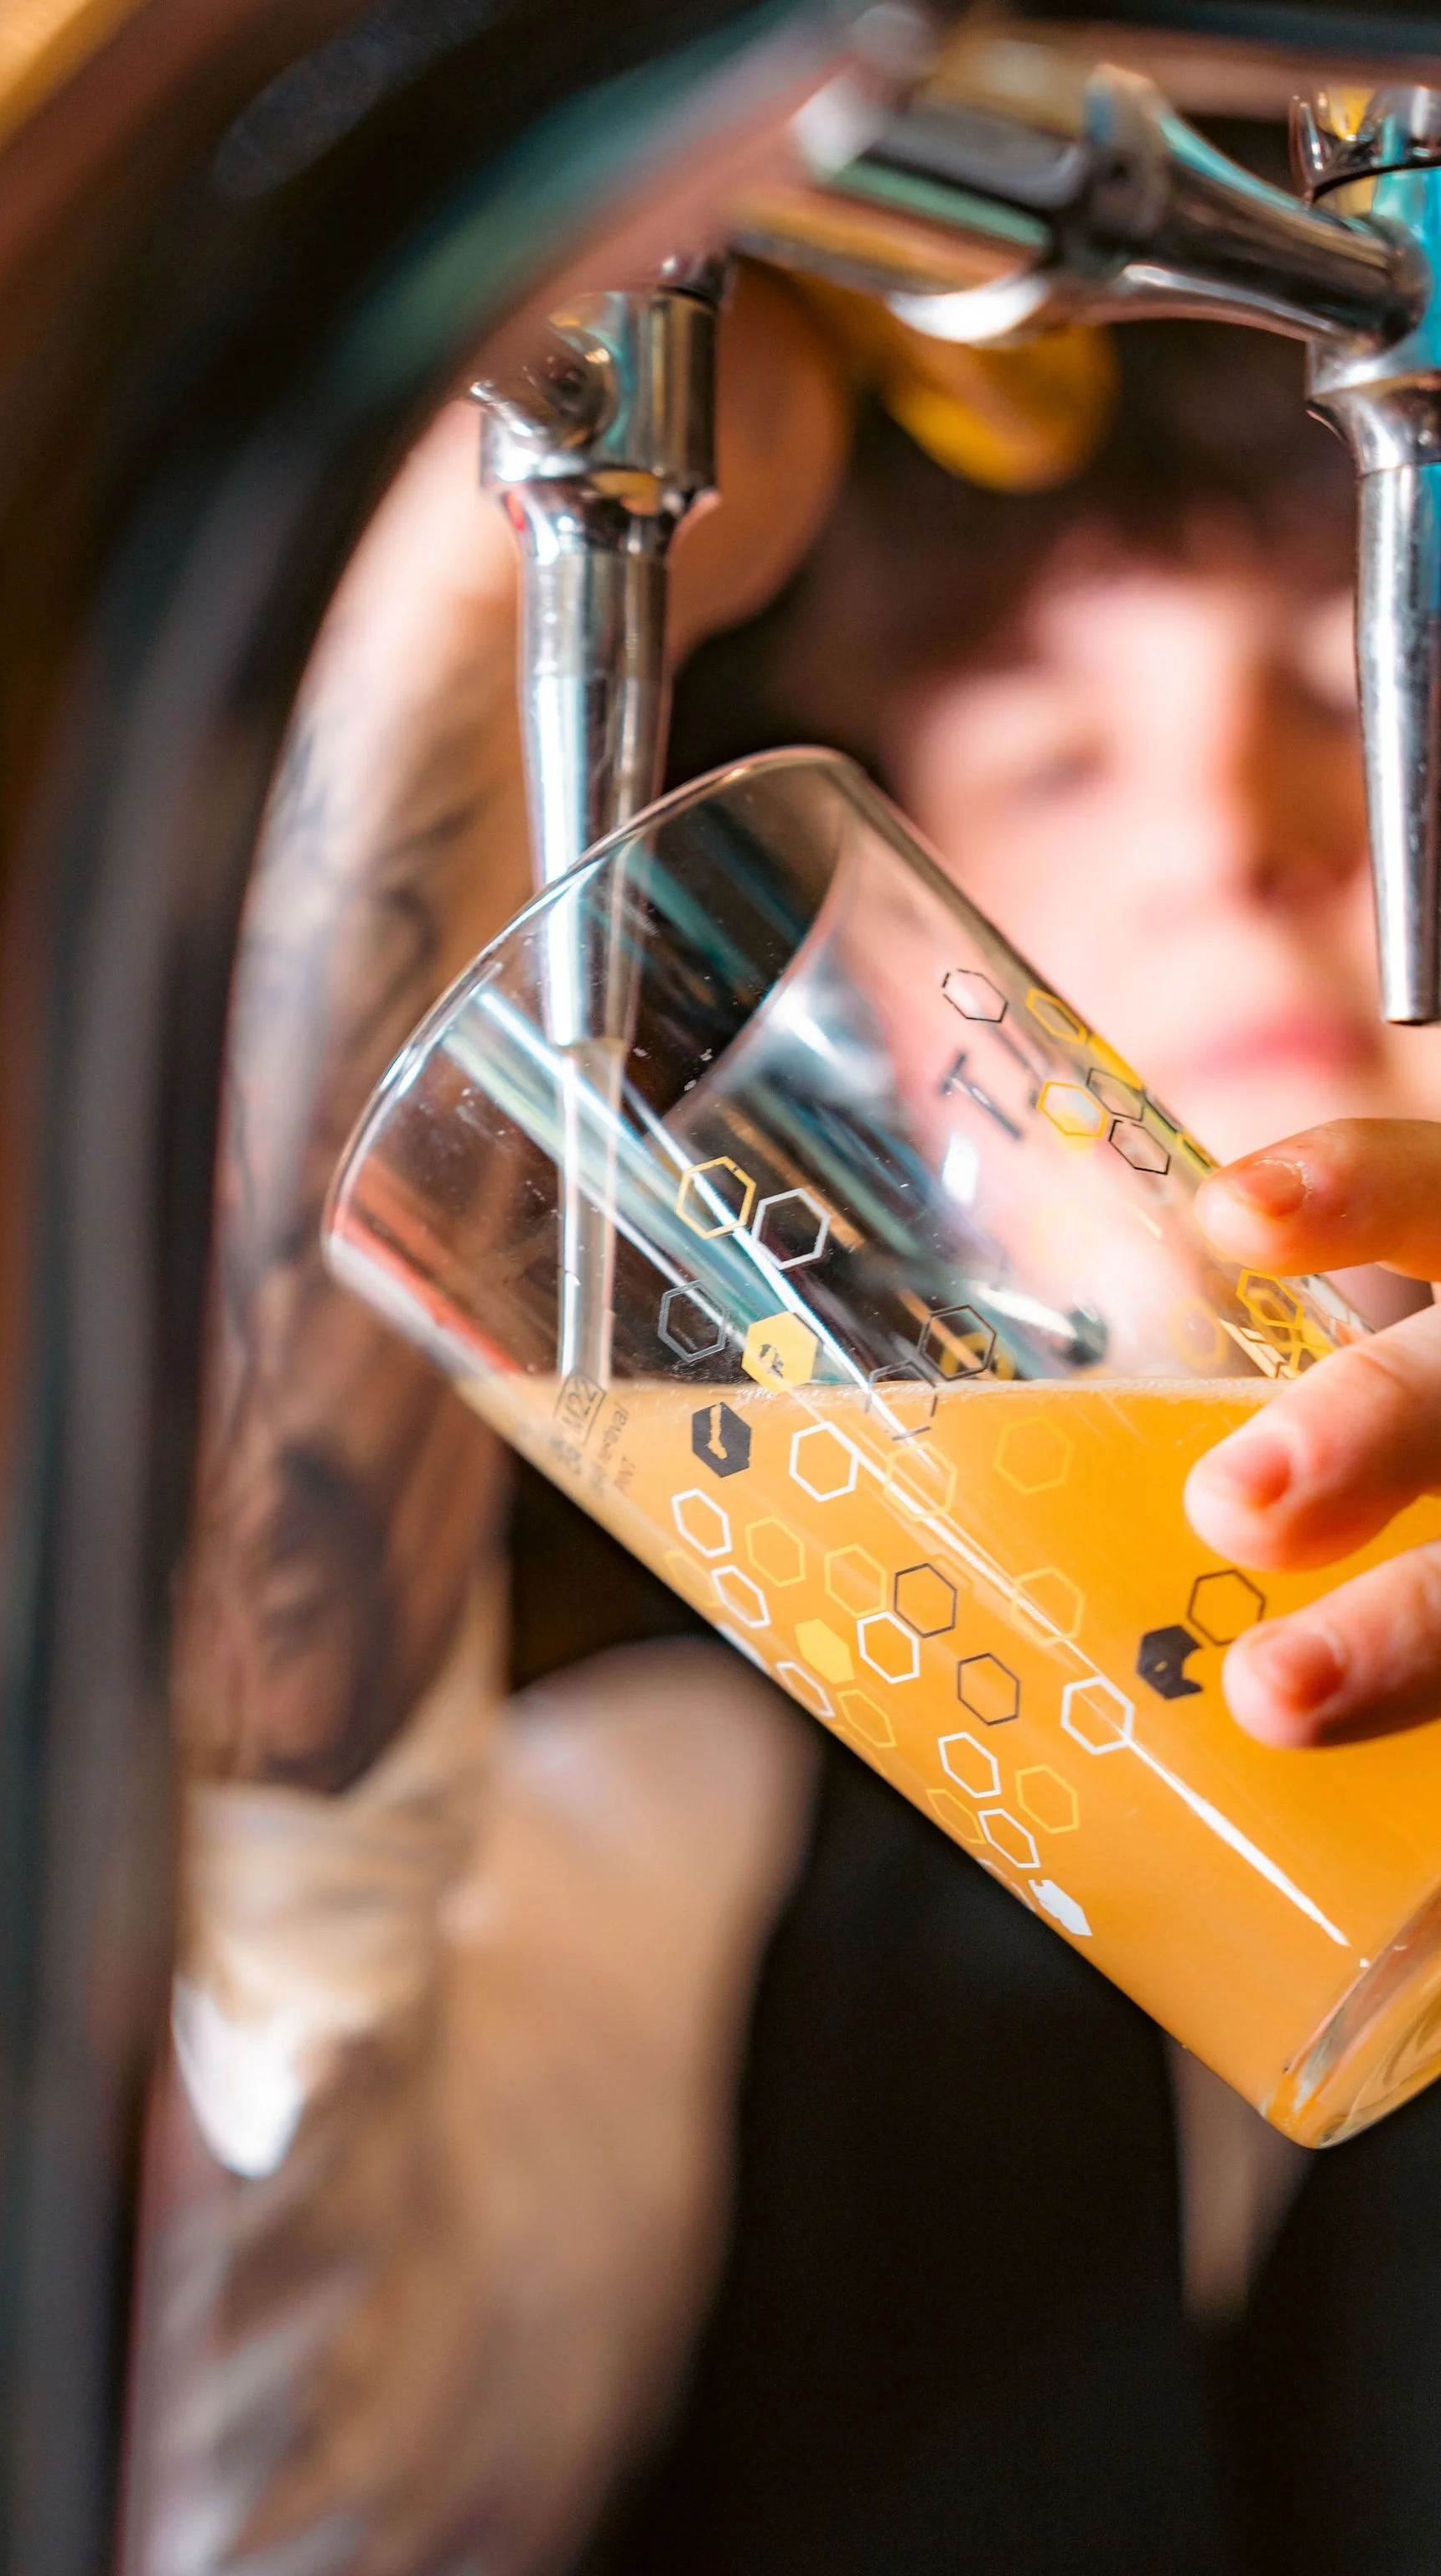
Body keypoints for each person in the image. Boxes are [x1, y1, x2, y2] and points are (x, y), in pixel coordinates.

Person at [135, 259, 1441, 2576]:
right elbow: (251, 2476)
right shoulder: (704, 1850)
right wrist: (467, 580)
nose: (1244, 832)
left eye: (1361, 701)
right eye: (1053, 755)